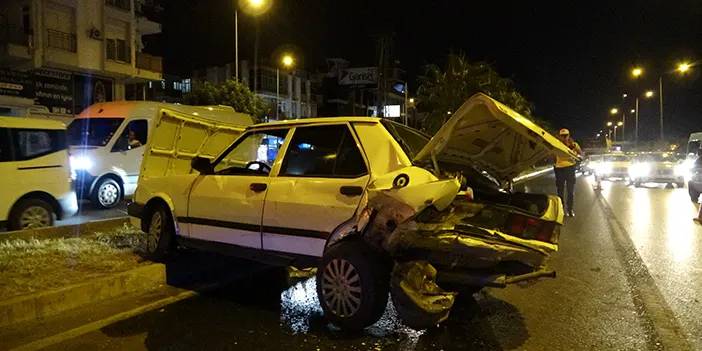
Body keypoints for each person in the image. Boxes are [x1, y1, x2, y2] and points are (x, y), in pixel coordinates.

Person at [554, 128, 583, 217]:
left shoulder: (574, 145)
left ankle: (570, 209)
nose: (564, 137)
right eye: (562, 136)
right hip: (559, 169)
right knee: (560, 192)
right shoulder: (556, 144)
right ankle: (561, 210)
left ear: (568, 135)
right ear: (559, 136)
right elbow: (551, 154)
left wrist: (578, 157)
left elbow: (580, 154)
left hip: (570, 168)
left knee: (570, 191)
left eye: (565, 135)